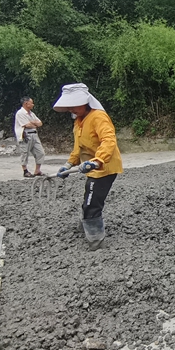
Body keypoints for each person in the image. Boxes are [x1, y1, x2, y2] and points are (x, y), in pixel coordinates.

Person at [53, 83, 123, 251]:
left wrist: (98, 160)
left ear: (85, 102)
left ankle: (96, 242)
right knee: (89, 196)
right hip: (91, 167)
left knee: (92, 201)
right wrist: (68, 164)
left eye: (73, 105)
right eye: (68, 106)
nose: (71, 109)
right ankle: (86, 225)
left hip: (104, 167)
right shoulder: (79, 121)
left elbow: (108, 140)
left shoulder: (98, 117)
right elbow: (79, 147)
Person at [14, 96, 45, 177]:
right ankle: (25, 170)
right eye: (31, 103)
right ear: (26, 103)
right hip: (25, 135)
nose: (33, 104)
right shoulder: (20, 113)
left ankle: (37, 170)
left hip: (34, 134)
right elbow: (27, 125)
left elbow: (40, 123)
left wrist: (33, 123)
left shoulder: (31, 113)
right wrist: (34, 123)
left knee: (40, 152)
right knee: (25, 153)